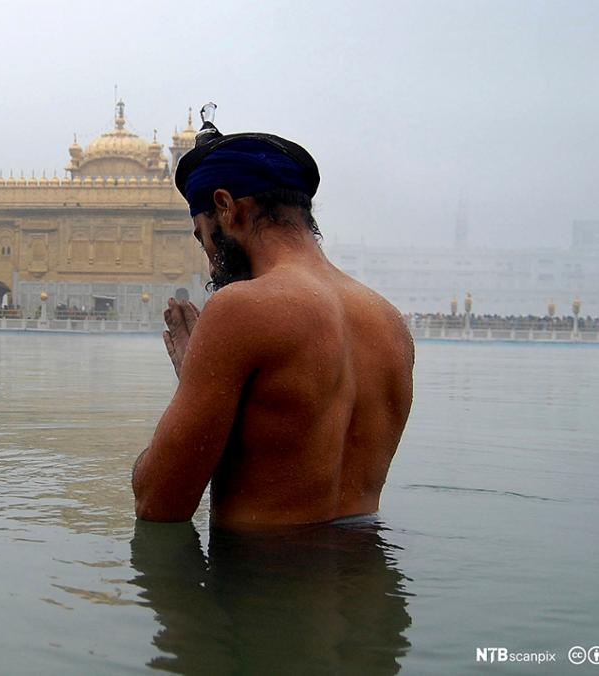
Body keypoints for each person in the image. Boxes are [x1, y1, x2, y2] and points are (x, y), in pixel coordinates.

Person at [131, 110, 414, 528]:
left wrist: (194, 374)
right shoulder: (388, 320)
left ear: (226, 208)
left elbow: (158, 503)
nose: (210, 261)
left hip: (266, 581)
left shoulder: (242, 309)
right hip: (371, 573)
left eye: (203, 237)